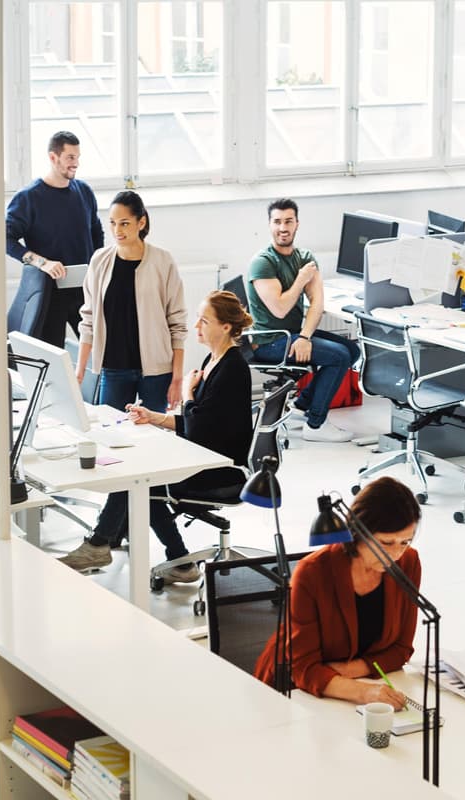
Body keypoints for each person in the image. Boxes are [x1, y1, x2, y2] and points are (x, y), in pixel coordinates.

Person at [60, 291, 253, 578]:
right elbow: (200, 421)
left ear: (225, 327)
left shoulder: (233, 368)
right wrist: (156, 418)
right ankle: (177, 561)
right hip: (205, 452)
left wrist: (187, 391)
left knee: (142, 481)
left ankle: (103, 543)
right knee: (142, 480)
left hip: (221, 469)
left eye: (203, 321)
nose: (196, 327)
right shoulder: (214, 361)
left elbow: (198, 425)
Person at [254, 476, 421, 707]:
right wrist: (364, 693)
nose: (395, 555)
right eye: (385, 542)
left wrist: (351, 671)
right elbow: (303, 668)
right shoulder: (312, 573)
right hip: (291, 691)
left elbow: (401, 649)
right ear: (357, 532)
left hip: (350, 684)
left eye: (405, 542)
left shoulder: (408, 563)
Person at [247, 198, 360, 443]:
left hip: (293, 334)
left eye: (288, 221)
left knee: (351, 350)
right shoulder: (263, 262)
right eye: (277, 222)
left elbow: (317, 303)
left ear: (297, 224)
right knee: (339, 357)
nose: (283, 228)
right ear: (269, 225)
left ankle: (302, 405)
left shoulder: (305, 257)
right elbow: (280, 309)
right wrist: (300, 279)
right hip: (270, 341)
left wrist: (305, 337)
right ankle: (315, 424)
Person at [75, 190, 187, 413]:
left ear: (141, 222)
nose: (117, 230)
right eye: (113, 223)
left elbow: (177, 323)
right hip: (114, 366)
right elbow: (88, 320)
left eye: (125, 223)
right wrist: (79, 372)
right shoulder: (99, 261)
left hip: (157, 371)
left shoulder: (163, 261)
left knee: (154, 435)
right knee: (111, 433)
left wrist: (176, 378)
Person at [6, 130, 104, 347]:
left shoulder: (84, 191)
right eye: (70, 157)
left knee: (100, 351)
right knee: (51, 354)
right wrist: (43, 263)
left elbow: (97, 232)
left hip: (84, 289)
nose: (76, 163)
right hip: (50, 294)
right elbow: (5, 240)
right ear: (53, 157)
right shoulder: (28, 198)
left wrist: (97, 266)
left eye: (78, 157)